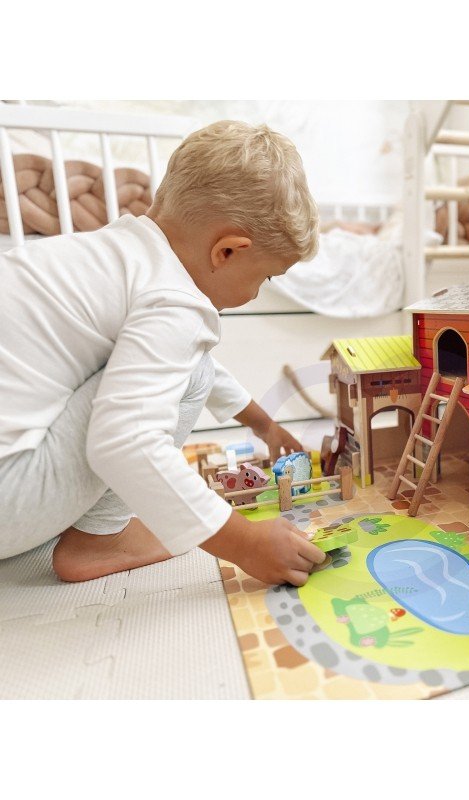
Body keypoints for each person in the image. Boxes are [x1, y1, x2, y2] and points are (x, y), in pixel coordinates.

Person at [0, 120, 326, 585]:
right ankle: (100, 539)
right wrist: (244, 542)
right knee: (187, 367)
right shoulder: (175, 301)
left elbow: (188, 365)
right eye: (266, 277)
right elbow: (127, 440)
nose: (256, 294)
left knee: (183, 365)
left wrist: (264, 424)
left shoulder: (111, 257)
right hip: (8, 502)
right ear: (228, 251)